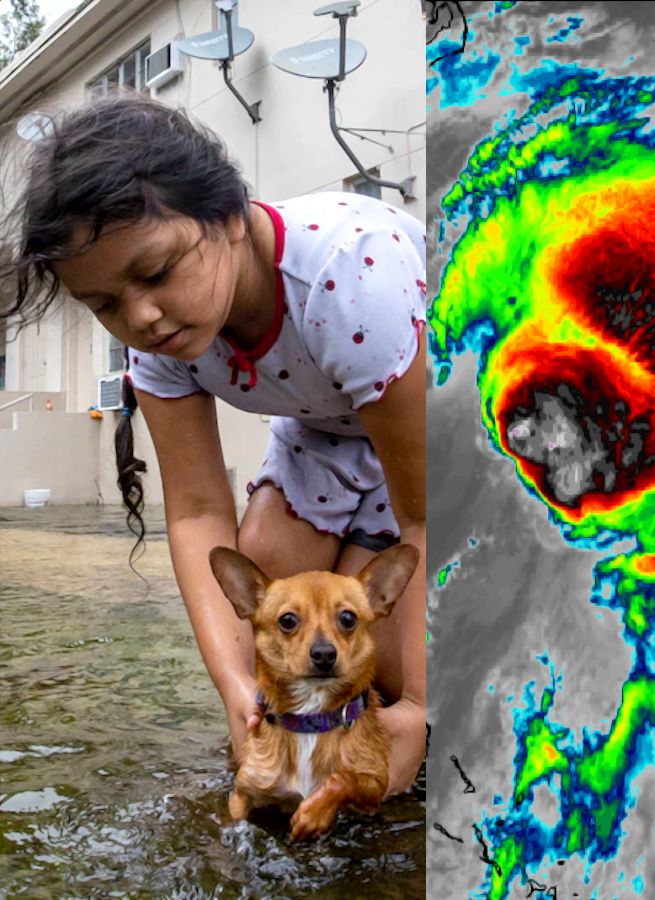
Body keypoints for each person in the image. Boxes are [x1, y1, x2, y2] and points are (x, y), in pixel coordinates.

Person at [0, 93, 427, 797]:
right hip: (325, 431)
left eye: (157, 272)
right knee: (269, 595)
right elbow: (198, 510)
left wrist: (417, 708)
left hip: (451, 416)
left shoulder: (346, 279)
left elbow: (422, 511)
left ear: (230, 217)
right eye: (103, 304)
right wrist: (237, 690)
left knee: (379, 656)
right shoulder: (158, 341)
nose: (140, 316)